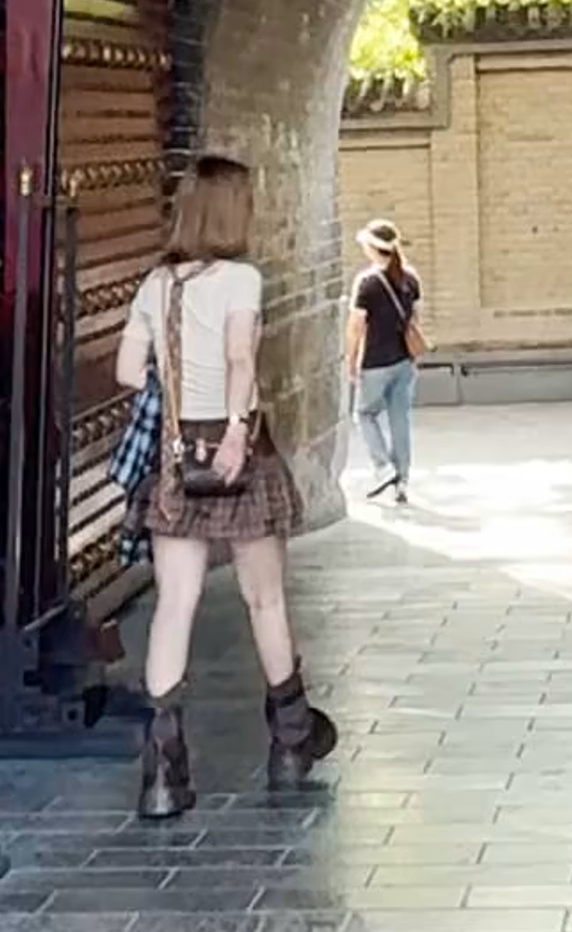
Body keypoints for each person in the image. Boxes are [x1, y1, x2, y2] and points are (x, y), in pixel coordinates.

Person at [118, 155, 334, 823]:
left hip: (177, 458)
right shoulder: (241, 277)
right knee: (264, 597)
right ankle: (293, 737)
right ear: (234, 210)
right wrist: (237, 429)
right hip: (236, 450)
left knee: (174, 603)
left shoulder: (157, 283)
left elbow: (129, 371)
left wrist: (177, 380)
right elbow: (241, 356)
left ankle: (161, 770)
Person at [347, 217, 423, 503]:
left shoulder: (366, 283)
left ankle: (383, 468)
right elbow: (415, 319)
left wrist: (351, 361)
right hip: (404, 361)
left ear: (372, 247)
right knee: (399, 419)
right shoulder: (411, 278)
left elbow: (356, 327)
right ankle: (402, 481)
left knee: (364, 414)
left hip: (375, 363)